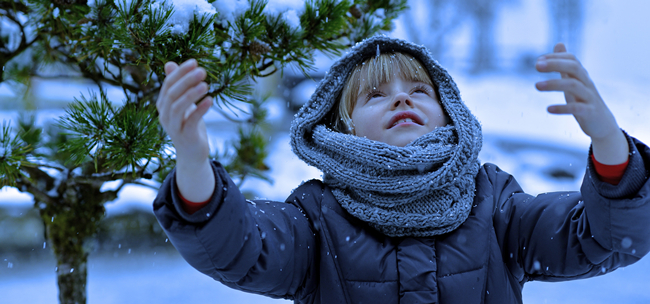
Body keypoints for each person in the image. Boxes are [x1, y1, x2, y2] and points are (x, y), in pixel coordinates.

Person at [153, 36, 650, 303]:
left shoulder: (494, 204)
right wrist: (194, 163)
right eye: (375, 94)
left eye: (419, 91)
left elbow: (602, 239)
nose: (401, 99)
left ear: (449, 112)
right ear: (344, 128)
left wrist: (608, 141)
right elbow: (241, 250)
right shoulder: (315, 217)